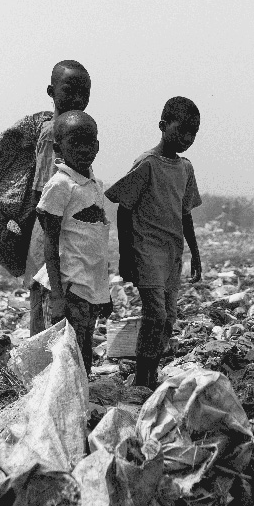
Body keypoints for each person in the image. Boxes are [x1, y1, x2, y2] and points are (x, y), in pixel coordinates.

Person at [106, 96, 202, 388]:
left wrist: (195, 254)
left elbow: (185, 214)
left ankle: (150, 371)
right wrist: (126, 257)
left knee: (168, 318)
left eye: (192, 133)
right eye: (181, 130)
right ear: (162, 126)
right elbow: (124, 208)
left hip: (173, 253)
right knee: (155, 314)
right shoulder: (147, 164)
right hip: (146, 250)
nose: (186, 138)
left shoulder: (185, 168)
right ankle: (142, 377)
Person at [36, 110, 110, 374]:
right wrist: (56, 295)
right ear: (59, 148)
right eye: (74, 142)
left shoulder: (94, 186)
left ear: (98, 145)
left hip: (91, 288)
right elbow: (50, 242)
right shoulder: (60, 185)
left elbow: (97, 244)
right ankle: (69, 407)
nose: (83, 149)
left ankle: (82, 404)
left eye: (89, 142)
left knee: (85, 351)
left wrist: (106, 292)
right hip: (70, 287)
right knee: (69, 356)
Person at [25, 60, 92, 336]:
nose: (78, 98)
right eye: (70, 90)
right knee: (48, 309)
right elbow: (44, 193)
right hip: (50, 236)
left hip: (65, 238)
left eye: (84, 92)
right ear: (51, 92)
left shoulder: (78, 133)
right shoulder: (54, 134)